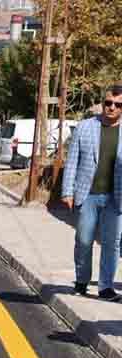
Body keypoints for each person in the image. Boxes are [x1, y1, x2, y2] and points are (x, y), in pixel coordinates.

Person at [63, 84, 122, 301]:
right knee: (84, 240)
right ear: (102, 103)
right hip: (87, 194)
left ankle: (106, 287)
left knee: (112, 243)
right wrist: (67, 192)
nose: (112, 108)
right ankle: (81, 280)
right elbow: (72, 162)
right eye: (108, 103)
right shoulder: (85, 127)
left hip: (116, 199)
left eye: (117, 104)